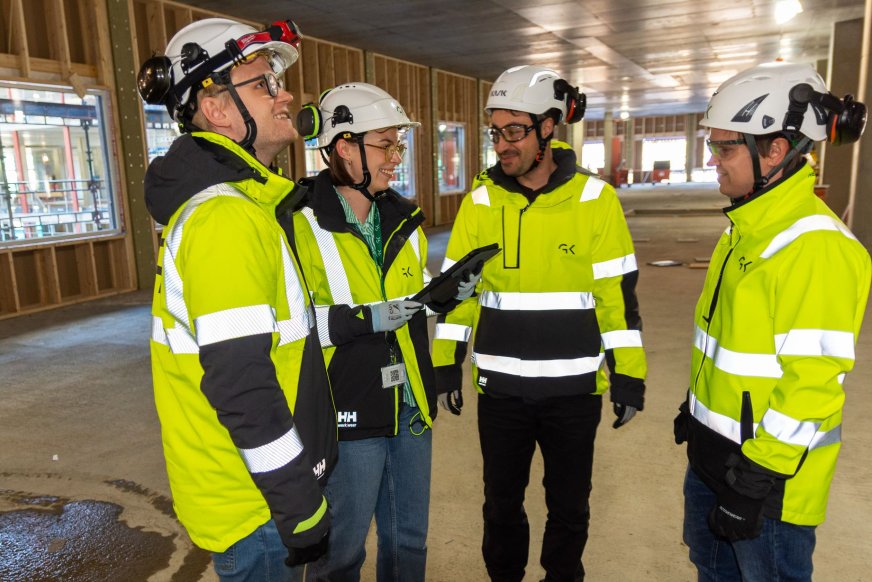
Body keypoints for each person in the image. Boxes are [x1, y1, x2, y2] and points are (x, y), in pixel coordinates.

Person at [137, 17, 337, 580]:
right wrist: (297, 505)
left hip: (258, 492)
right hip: (256, 507)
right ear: (218, 110)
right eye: (264, 84)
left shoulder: (248, 206)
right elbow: (241, 383)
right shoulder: (224, 218)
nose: (286, 94)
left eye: (278, 81)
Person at [431, 65, 647, 582]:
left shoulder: (596, 203)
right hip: (501, 392)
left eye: (514, 131)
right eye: (495, 132)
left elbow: (616, 300)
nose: (502, 146)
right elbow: (459, 295)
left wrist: (629, 374)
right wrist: (445, 365)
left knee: (570, 507)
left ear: (549, 127)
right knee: (500, 506)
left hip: (573, 393)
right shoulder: (479, 203)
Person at [674, 61, 871, 581]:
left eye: (725, 148)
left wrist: (755, 479)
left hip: (768, 488)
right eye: (712, 145)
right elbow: (730, 344)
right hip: (716, 461)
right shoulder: (745, 227)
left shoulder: (816, 247)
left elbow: (812, 387)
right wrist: (695, 408)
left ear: (776, 150)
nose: (713, 159)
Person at [289, 82, 477, 582]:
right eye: (385, 145)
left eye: (399, 145)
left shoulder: (404, 218)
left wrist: (441, 299)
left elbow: (406, 307)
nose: (397, 158)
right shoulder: (296, 221)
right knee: (343, 551)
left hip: (411, 404)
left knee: (410, 543)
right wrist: (363, 319)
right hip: (346, 408)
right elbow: (287, 328)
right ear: (343, 147)